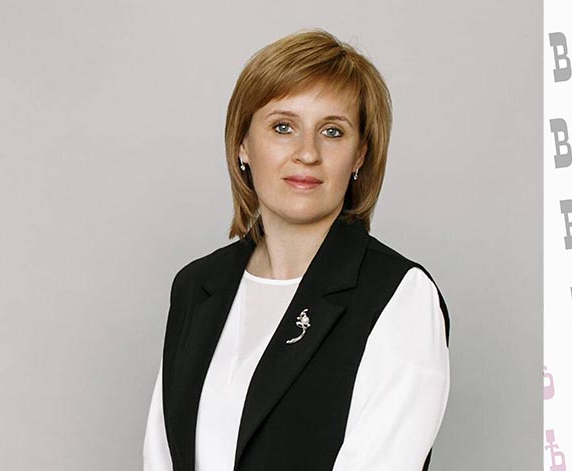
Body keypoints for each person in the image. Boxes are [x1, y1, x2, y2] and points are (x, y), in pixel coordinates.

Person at [143, 28, 450, 471]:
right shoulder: (196, 287)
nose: (307, 153)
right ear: (242, 145)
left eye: (332, 131)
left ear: (359, 155)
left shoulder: (399, 296)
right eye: (283, 127)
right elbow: (162, 456)